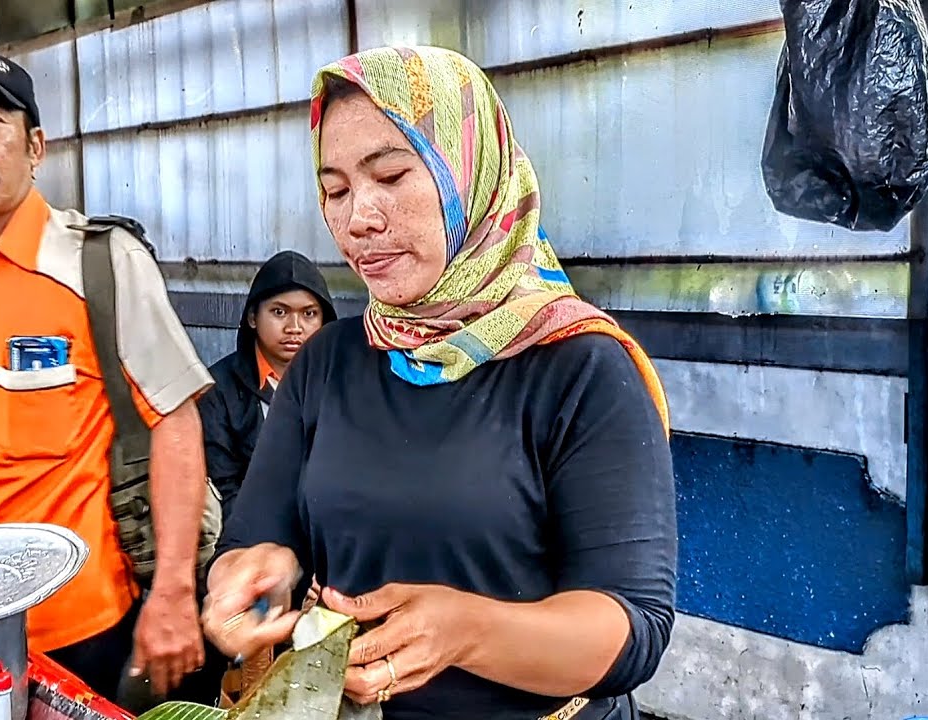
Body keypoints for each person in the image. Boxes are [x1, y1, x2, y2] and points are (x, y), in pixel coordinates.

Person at [200, 46, 677, 720]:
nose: (357, 218)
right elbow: (254, 537)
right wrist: (251, 579)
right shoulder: (329, 363)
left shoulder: (580, 369)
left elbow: (633, 628)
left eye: (391, 175)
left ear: (472, 173)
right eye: (335, 190)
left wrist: (467, 632)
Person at [0, 47, 211, 700]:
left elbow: (176, 424)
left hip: (86, 632)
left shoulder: (100, 266)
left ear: (35, 147)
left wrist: (175, 595)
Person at [198, 250, 337, 522]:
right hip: (252, 542)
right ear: (253, 317)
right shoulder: (218, 392)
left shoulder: (342, 383)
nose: (294, 327)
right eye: (279, 312)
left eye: (309, 314)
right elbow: (223, 489)